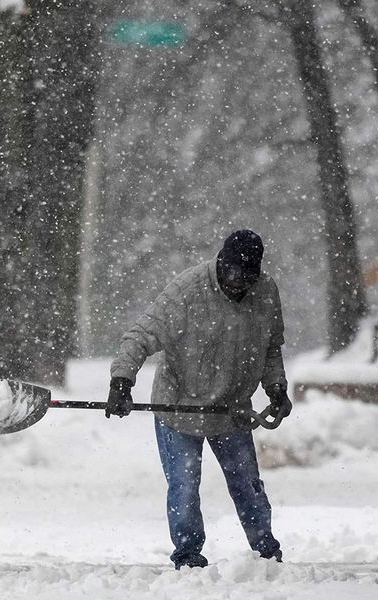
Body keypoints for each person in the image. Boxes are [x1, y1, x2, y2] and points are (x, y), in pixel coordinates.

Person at [106, 229, 292, 569]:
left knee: (247, 485)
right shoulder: (186, 293)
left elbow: (270, 347)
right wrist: (122, 380)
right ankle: (188, 554)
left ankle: (265, 550)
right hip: (181, 406)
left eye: (248, 277)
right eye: (234, 274)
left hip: (231, 408)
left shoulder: (265, 293)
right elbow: (140, 336)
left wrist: (276, 387)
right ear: (221, 263)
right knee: (185, 485)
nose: (239, 284)